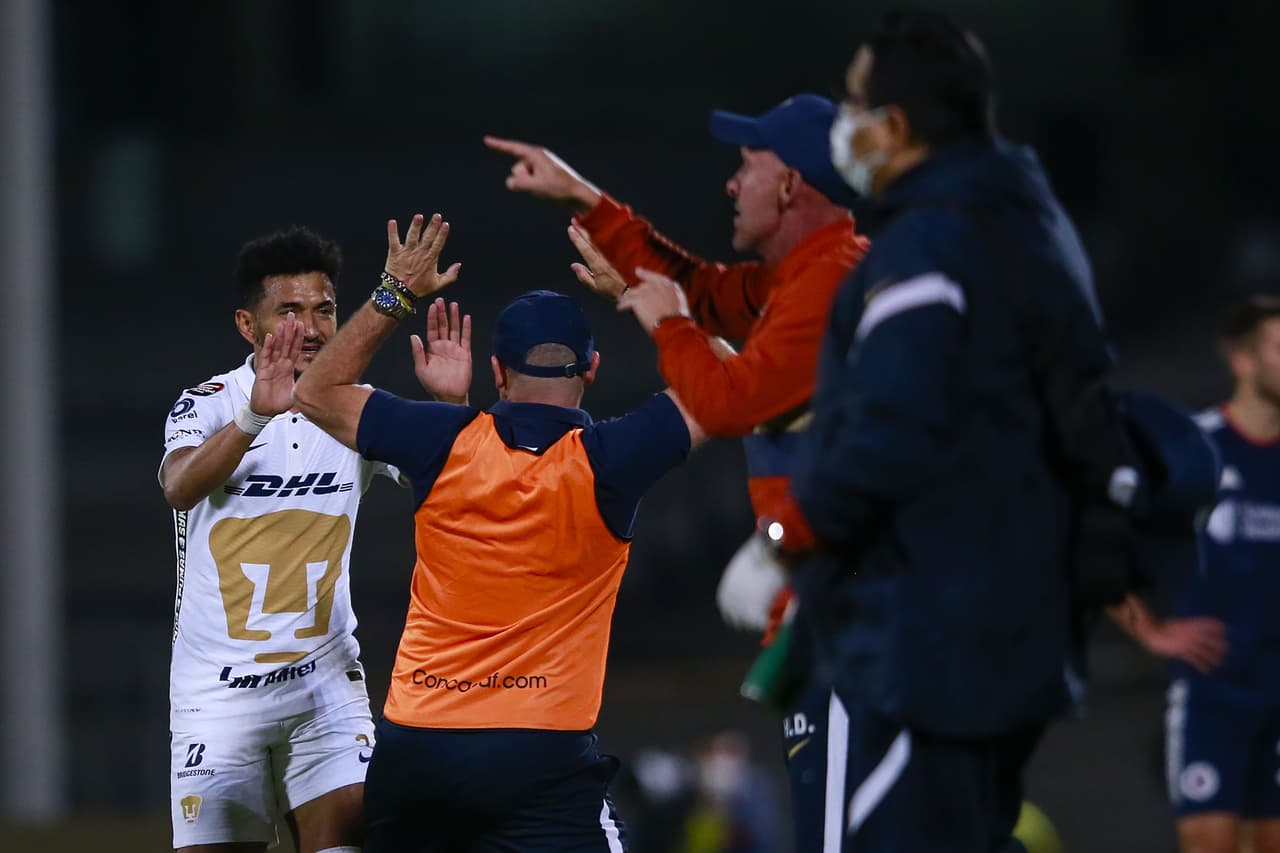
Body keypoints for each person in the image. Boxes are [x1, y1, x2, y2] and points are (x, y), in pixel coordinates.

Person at [485, 94, 869, 853]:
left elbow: (724, 401)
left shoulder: (830, 282)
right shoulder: (807, 277)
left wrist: (665, 320)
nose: (732, 182)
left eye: (747, 165)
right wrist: (586, 200)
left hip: (851, 618)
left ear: (790, 184)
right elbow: (703, 295)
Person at [791, 11, 1120, 850]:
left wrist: (785, 540)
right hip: (1006, 622)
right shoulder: (1026, 220)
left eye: (854, 101)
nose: (844, 119)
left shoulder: (930, 244)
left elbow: (890, 432)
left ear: (896, 126)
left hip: (936, 638)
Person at [292, 212, 707, 851]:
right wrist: (636, 293)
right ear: (592, 367)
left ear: (496, 369)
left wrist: (396, 292)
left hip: (417, 749)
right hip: (540, 757)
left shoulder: (441, 437)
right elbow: (734, 384)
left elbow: (314, 392)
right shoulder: (612, 459)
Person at [159, 226, 430, 852]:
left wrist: (450, 405)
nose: (310, 327)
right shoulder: (209, 402)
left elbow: (446, 482)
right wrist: (255, 415)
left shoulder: (357, 408)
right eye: (289, 311)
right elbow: (179, 487)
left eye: (324, 309)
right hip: (217, 697)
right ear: (247, 325)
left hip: (325, 687)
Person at [1109, 296, 1280, 853]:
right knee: (1210, 841)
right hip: (1214, 693)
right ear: (1243, 360)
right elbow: (1106, 538)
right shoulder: (1193, 448)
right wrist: (1149, 629)